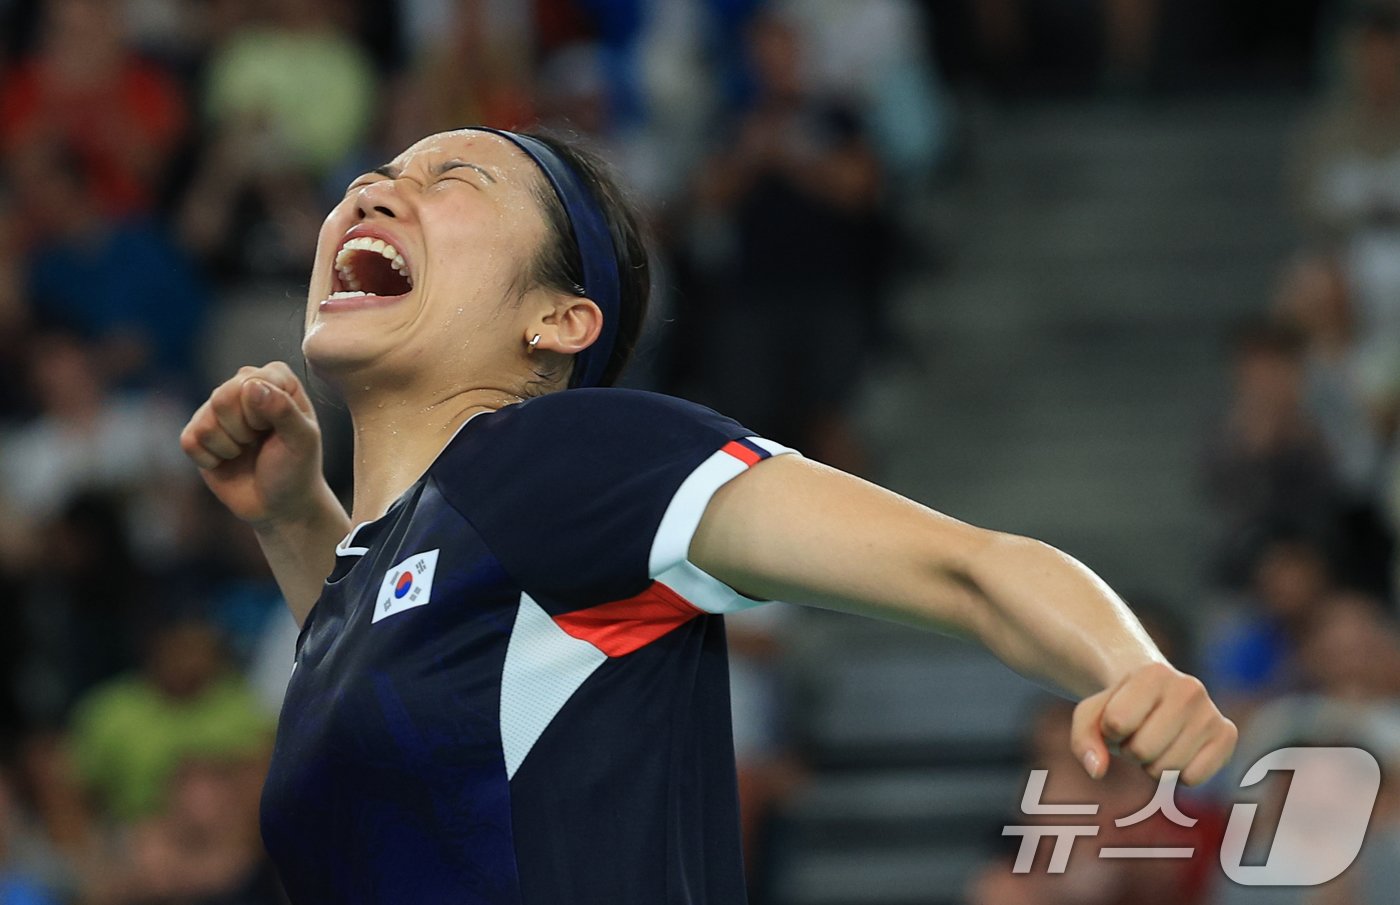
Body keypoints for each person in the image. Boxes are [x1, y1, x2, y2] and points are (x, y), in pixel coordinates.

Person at [178, 127, 1237, 903]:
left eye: (450, 177)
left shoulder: (572, 457)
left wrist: (1127, 665)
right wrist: (291, 516)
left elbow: (959, 565)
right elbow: (425, 700)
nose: (373, 188)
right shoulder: (396, 570)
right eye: (369, 176)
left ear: (558, 320)